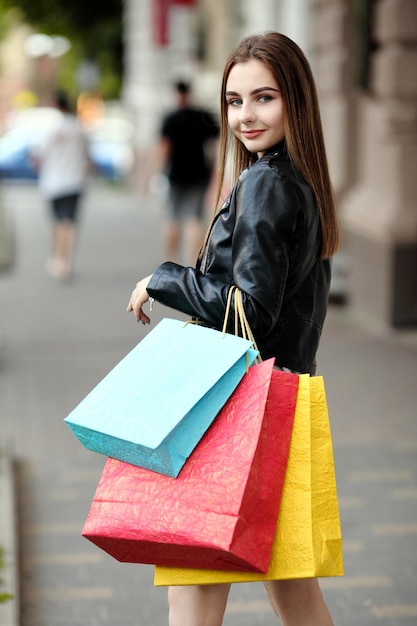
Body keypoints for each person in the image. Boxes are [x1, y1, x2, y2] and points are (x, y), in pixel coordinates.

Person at [127, 31, 339, 626]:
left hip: (233, 410)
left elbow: (250, 308)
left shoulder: (266, 183)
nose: (245, 115)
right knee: (295, 591)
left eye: (264, 98)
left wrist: (163, 279)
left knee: (195, 589)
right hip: (286, 402)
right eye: (234, 100)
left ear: (296, 100)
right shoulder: (301, 180)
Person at [151, 80, 219, 265]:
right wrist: (213, 170)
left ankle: (171, 262)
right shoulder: (203, 117)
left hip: (175, 175)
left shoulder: (170, 119)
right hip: (199, 174)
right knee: (195, 219)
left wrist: (158, 172)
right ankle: (192, 263)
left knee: (172, 217)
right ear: (190, 92)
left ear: (176, 93)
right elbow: (212, 147)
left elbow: (164, 149)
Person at [33, 91, 90, 280]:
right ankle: (66, 261)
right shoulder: (78, 128)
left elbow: (37, 155)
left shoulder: (50, 128)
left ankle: (57, 259)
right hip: (74, 181)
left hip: (53, 183)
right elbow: (87, 156)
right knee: (69, 223)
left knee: (57, 223)